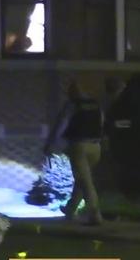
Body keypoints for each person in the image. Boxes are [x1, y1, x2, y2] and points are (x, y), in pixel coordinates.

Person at [44, 80, 104, 226]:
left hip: (79, 146)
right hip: (96, 146)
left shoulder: (72, 105)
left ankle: (95, 214)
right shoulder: (95, 104)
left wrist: (50, 144)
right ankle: (70, 209)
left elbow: (61, 124)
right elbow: (102, 122)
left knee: (85, 182)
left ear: (71, 93)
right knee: (81, 180)